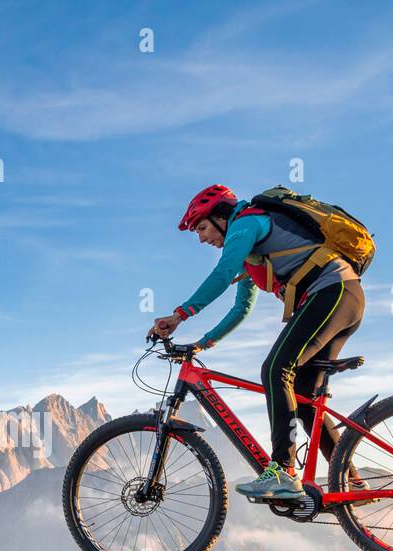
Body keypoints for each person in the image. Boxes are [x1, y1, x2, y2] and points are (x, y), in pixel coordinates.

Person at [149, 184, 366, 500]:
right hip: (341, 298)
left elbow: (222, 274)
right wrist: (203, 343)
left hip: (331, 293)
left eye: (203, 227)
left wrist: (180, 315)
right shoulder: (255, 253)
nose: (201, 238)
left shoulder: (247, 224)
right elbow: (241, 308)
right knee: (303, 399)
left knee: (276, 369)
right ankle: (353, 483)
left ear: (222, 217)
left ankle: (281, 471)